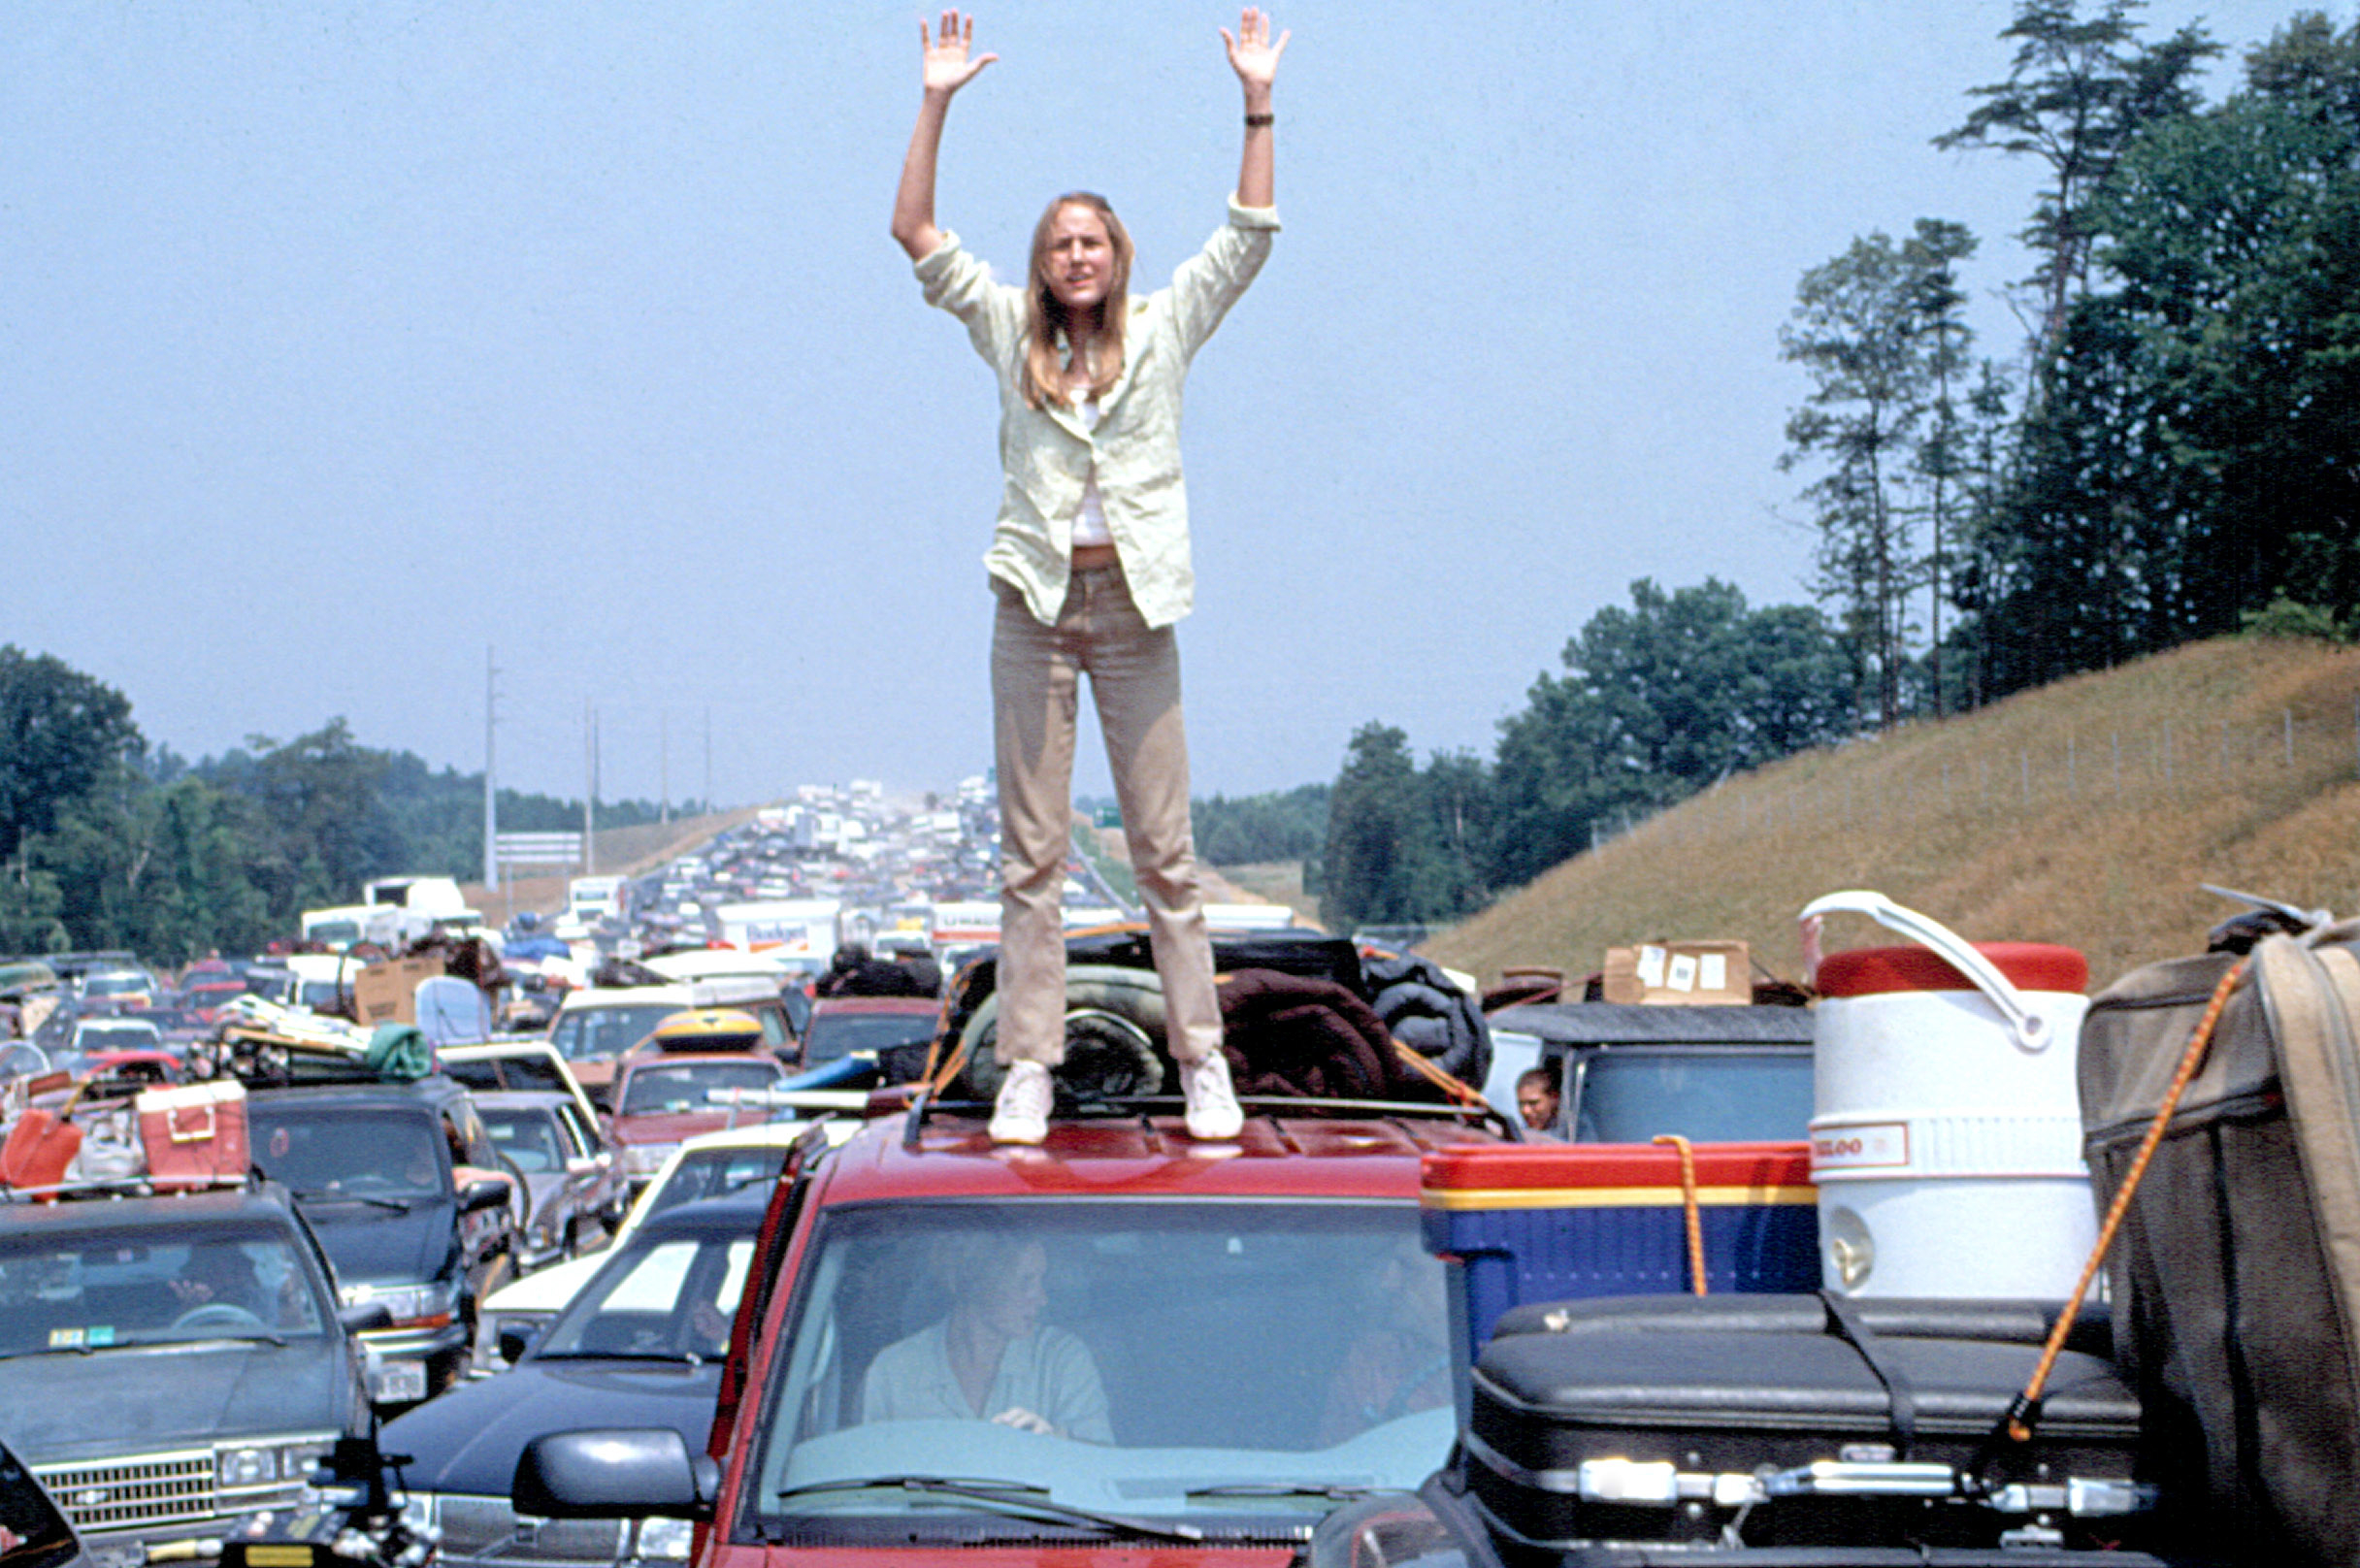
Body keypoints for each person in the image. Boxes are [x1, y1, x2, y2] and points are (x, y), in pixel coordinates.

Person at [891, 9, 1288, 1147]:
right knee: (1033, 857)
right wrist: (937, 99)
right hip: (1033, 606)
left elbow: (1248, 234)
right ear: (1041, 260)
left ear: (1117, 256)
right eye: (1059, 241)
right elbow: (911, 227)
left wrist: (1254, 100)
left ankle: (1201, 1057)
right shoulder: (1006, 329)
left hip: (1135, 609)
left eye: (1093, 241)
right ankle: (1029, 1062)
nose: (1076, 256)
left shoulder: (1163, 333)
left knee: (1165, 851)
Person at [861, 1229, 1111, 1442]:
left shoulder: (1061, 1358)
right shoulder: (894, 1370)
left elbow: (1103, 1464)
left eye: (1041, 1281)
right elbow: (869, 1478)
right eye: (1025, 1282)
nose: (1042, 1299)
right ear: (978, 1283)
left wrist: (1054, 1441)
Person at [1317, 1238, 1451, 1446]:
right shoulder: (1370, 1358)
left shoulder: (1498, 1360)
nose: (1388, 1284)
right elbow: (1337, 1460)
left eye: (1408, 1269)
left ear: (1452, 1279)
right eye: (1388, 1268)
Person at [1517, 1066, 1561, 1136]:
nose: (1526, 1111)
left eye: (1533, 1103)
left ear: (1554, 1098)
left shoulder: (1571, 1138)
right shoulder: (1520, 1137)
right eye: (1521, 1104)